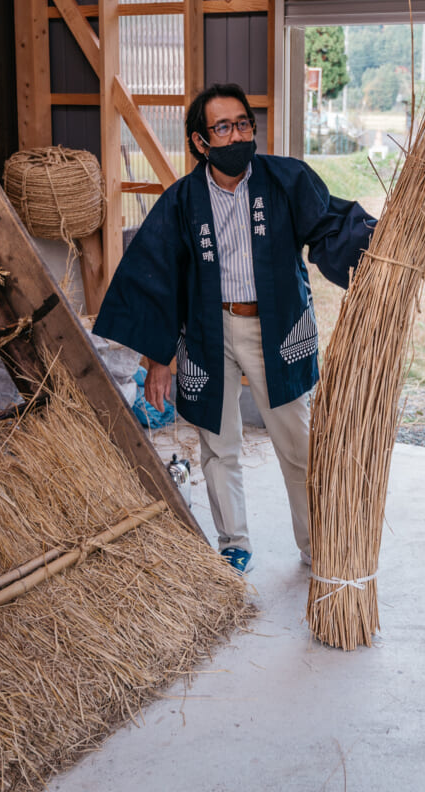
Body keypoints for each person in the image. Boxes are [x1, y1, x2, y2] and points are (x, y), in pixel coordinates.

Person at [94, 83, 375, 573]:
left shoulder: (285, 180)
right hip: (208, 330)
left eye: (243, 123)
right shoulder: (182, 201)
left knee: (298, 443)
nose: (237, 135)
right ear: (200, 142)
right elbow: (158, 276)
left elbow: (333, 224)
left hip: (277, 328)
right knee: (218, 445)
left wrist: (378, 252)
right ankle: (234, 543)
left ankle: (317, 544)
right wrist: (158, 359)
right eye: (223, 127)